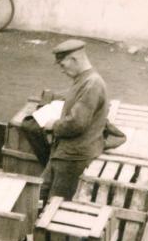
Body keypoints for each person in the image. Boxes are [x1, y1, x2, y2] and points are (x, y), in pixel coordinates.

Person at [20, 39, 108, 201]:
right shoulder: (84, 80)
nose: (62, 70)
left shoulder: (92, 83)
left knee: (56, 201)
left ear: (74, 59)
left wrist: (53, 124)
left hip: (74, 156)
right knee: (41, 194)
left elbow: (77, 123)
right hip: (64, 151)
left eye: (62, 64)